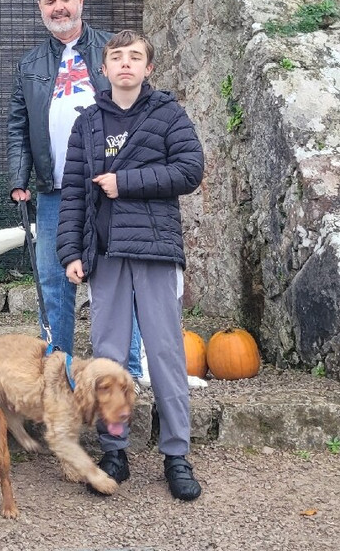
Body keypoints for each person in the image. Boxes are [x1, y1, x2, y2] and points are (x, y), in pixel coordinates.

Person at [56, 30, 205, 501]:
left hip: (156, 249)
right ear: (104, 68)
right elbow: (75, 192)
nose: (125, 64)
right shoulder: (87, 123)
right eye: (116, 57)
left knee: (165, 354)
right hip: (105, 252)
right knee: (108, 357)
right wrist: (70, 252)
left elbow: (190, 170)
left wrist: (126, 181)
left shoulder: (168, 114)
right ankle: (114, 449)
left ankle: (176, 454)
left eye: (134, 57)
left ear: (148, 67)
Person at [8, 0, 125, 355]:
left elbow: (137, 113)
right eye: (49, 2)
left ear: (81, 1)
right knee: (53, 280)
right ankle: (59, 366)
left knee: (116, 276)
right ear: (40, 9)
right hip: (54, 188)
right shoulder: (29, 64)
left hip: (109, 186)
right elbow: (18, 126)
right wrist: (18, 178)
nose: (59, 7)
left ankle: (126, 367)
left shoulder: (112, 49)